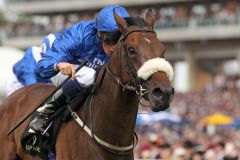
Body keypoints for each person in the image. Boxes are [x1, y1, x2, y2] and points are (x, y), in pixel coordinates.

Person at [29, 5, 130, 134]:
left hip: (90, 79)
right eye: (111, 38)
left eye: (120, 39)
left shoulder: (125, 47)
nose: (115, 47)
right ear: (99, 32)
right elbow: (42, 67)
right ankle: (45, 111)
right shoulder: (78, 35)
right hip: (62, 72)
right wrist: (58, 65)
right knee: (89, 75)